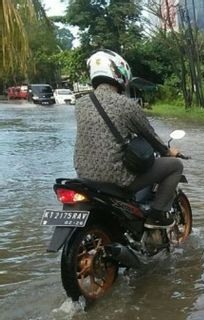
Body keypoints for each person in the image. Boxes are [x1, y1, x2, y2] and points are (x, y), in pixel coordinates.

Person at [74, 49, 183, 228]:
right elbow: (150, 136)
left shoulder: (80, 104)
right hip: (116, 177)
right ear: (120, 73)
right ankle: (157, 215)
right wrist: (168, 152)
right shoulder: (127, 105)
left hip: (84, 176)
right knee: (175, 166)